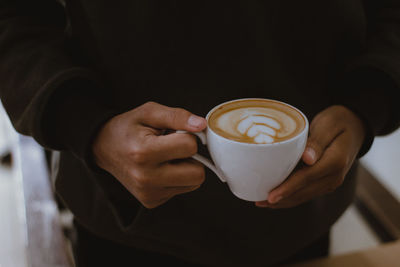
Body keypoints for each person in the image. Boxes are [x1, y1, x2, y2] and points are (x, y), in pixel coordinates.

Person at [0, 0, 399, 266]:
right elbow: (14, 19)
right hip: (123, 220)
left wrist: (367, 103)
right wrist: (85, 124)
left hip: (302, 215)